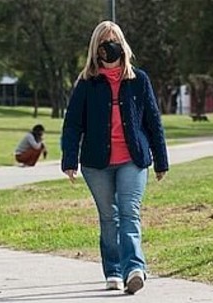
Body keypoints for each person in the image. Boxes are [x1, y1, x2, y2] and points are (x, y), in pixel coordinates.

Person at [61, 20, 169, 295]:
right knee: (109, 218)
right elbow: (73, 124)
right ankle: (113, 271)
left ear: (122, 45)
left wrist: (161, 160)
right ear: (95, 50)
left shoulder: (138, 80)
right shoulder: (87, 84)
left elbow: (153, 122)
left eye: (113, 41)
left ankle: (134, 268)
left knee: (129, 213)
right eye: (103, 43)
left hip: (132, 160)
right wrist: (69, 160)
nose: (109, 47)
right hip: (97, 164)